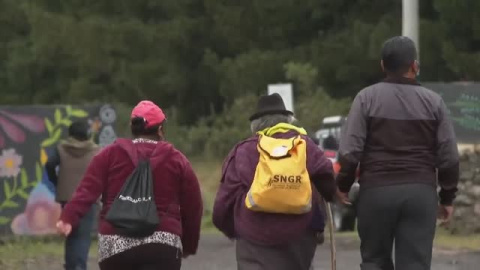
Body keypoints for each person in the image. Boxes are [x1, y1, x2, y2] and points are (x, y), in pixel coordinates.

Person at [336, 36, 459, 270]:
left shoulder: (366, 98)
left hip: (376, 192)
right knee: (415, 264)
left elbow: (351, 151)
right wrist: (447, 198)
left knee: (374, 261)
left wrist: (343, 185)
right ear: (415, 66)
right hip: (420, 194)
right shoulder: (434, 103)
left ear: (383, 66)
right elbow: (449, 158)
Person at [56, 101, 203, 270]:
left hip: (115, 245)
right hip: (163, 244)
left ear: (132, 127)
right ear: (161, 130)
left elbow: (87, 190)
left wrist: (68, 217)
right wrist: (188, 244)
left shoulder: (109, 155)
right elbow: (193, 207)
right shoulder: (177, 160)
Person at [213, 93, 336, 270]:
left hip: (254, 238)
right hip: (299, 238)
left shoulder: (244, 151)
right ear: (288, 120)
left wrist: (234, 230)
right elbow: (327, 184)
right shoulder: (305, 145)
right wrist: (318, 227)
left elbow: (223, 204)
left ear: (255, 125)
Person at [46, 121, 100, 270]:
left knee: (69, 233)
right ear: (88, 134)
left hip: (66, 197)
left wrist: (56, 181)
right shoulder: (96, 150)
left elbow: (50, 165)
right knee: (83, 236)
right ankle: (79, 266)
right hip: (88, 199)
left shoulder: (61, 148)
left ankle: (70, 266)